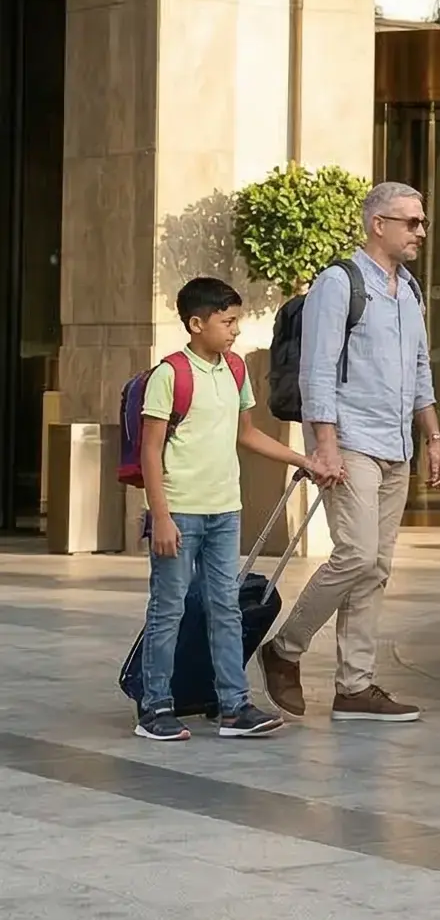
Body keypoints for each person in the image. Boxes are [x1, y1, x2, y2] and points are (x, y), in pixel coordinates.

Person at [260, 182, 440, 723]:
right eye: (410, 222)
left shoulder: (409, 290)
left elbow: (420, 368)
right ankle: (285, 649)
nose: (420, 231)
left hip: (397, 443)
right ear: (377, 225)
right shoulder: (338, 283)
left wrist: (433, 437)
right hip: (348, 440)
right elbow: (317, 369)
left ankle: (355, 686)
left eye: (422, 222)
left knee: (378, 567)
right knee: (357, 555)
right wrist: (325, 446)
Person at [132, 277, 314, 741]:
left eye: (236, 321)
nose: (235, 330)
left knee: (226, 609)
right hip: (180, 512)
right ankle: (155, 707)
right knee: (169, 609)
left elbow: (246, 433)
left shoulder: (234, 369)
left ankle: (234, 706)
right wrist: (160, 516)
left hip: (224, 510)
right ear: (197, 324)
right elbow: (150, 451)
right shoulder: (170, 375)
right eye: (227, 322)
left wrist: (303, 460)